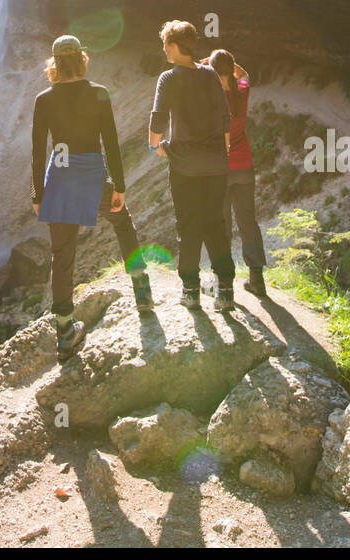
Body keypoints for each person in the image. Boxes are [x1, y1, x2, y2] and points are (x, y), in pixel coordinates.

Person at [32, 35, 151, 363]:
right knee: (123, 224)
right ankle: (142, 292)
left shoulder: (44, 99)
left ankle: (65, 332)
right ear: (82, 59)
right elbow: (111, 143)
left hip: (59, 178)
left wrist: (37, 195)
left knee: (62, 254)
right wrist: (120, 186)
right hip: (92, 176)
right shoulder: (98, 94)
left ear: (55, 64)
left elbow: (37, 152)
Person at [148, 20, 236, 310]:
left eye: (165, 44)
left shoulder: (169, 78)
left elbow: (159, 118)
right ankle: (225, 290)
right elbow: (225, 116)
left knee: (188, 225)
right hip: (215, 164)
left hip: (185, 164)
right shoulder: (211, 74)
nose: (164, 50)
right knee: (215, 224)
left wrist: (154, 145)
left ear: (173, 46)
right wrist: (222, 154)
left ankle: (190, 290)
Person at [206, 49, 268, 297]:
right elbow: (244, 73)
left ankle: (224, 284)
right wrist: (227, 64)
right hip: (244, 166)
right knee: (247, 221)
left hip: (219, 169)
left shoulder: (209, 96)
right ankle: (257, 278)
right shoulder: (241, 91)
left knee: (221, 225)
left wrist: (206, 65)